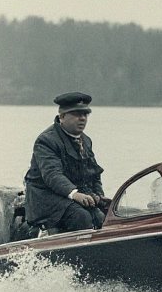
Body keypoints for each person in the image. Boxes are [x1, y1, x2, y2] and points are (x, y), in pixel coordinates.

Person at [23, 92, 109, 233]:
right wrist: (74, 194)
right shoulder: (46, 141)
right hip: (46, 199)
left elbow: (94, 173)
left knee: (110, 215)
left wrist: (99, 196)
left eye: (85, 114)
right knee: (81, 216)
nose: (82, 118)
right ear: (62, 117)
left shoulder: (86, 141)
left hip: (74, 196)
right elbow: (52, 175)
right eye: (76, 114)